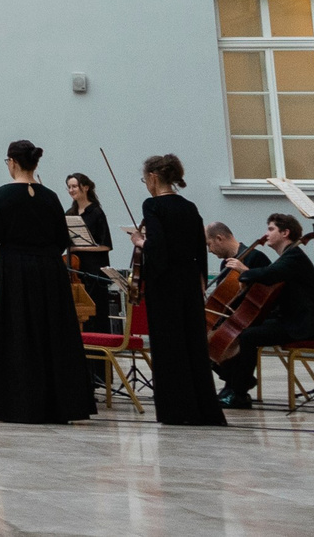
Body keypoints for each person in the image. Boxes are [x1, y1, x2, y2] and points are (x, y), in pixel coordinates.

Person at [0, 139, 97, 424]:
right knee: (52, 333)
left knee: (20, 332)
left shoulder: (3, 196)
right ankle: (63, 404)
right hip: (50, 271)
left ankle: (21, 404)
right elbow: (61, 241)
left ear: (13, 163)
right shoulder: (51, 196)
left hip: (17, 270)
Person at [124, 152, 223, 426]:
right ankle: (204, 409)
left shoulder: (152, 206)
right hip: (190, 284)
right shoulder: (190, 207)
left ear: (154, 178)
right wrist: (200, 279)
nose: (145, 184)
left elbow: (158, 249)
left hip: (165, 286)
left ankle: (177, 411)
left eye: (145, 179)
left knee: (169, 348)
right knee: (193, 346)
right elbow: (197, 248)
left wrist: (139, 241)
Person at [216, 211, 314, 410]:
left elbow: (269, 274)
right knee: (242, 331)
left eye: (271, 229)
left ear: (285, 233)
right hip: (292, 320)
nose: (267, 234)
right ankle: (236, 385)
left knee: (247, 336)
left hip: (304, 325)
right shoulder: (288, 256)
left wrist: (243, 270)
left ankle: (238, 392)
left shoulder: (294, 256)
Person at [66, 171, 116, 332]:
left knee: (96, 312)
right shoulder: (70, 214)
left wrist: (77, 248)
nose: (71, 190)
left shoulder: (96, 213)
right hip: (76, 270)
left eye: (74, 186)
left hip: (95, 271)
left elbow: (106, 245)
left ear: (85, 187)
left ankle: (99, 350)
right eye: (69, 187)